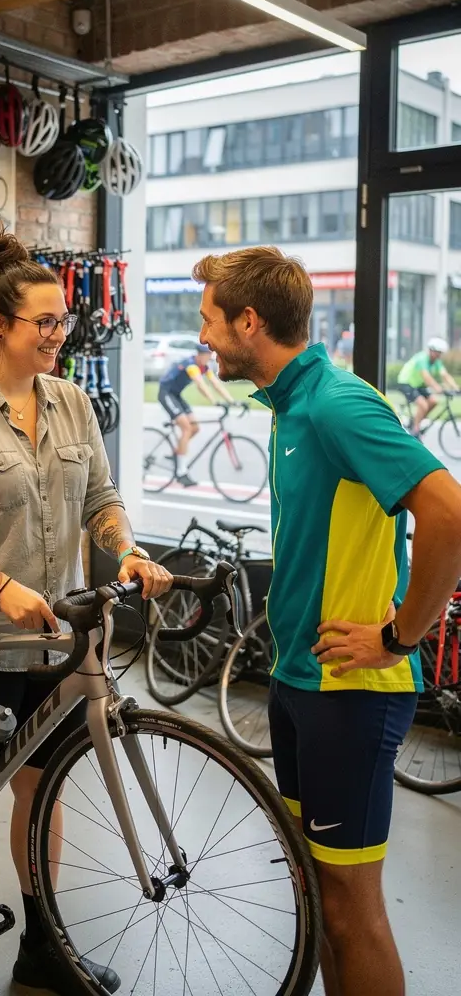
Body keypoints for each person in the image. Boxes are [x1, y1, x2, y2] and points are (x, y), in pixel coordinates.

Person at [0, 228, 172, 996]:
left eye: (64, 321)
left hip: (55, 646)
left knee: (41, 788)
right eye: (44, 322)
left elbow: (101, 499)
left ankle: (44, 942)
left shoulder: (74, 402)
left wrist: (130, 553)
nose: (61, 334)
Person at [192, 245, 461, 996]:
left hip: (351, 692)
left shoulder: (339, 404)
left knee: (352, 908)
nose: (202, 336)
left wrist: (398, 636)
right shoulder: (288, 405)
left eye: (210, 320)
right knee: (318, 891)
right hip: (297, 681)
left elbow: (449, 516)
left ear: (250, 321)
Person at [157, 342, 231, 484]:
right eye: (207, 356)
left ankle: (177, 453)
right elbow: (200, 384)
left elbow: (215, 383)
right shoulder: (191, 365)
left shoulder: (203, 367)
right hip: (166, 393)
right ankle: (181, 471)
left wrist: (231, 401)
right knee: (186, 428)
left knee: (195, 428)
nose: (209, 359)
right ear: (200, 355)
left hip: (176, 394)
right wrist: (214, 401)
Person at [396, 335, 458, 433]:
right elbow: (426, 377)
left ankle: (416, 421)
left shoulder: (436, 361)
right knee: (423, 405)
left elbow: (445, 375)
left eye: (440, 353)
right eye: (438, 353)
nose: (439, 356)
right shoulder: (422, 358)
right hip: (406, 383)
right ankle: (415, 431)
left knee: (434, 401)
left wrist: (456, 387)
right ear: (431, 350)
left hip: (418, 385)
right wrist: (437, 387)